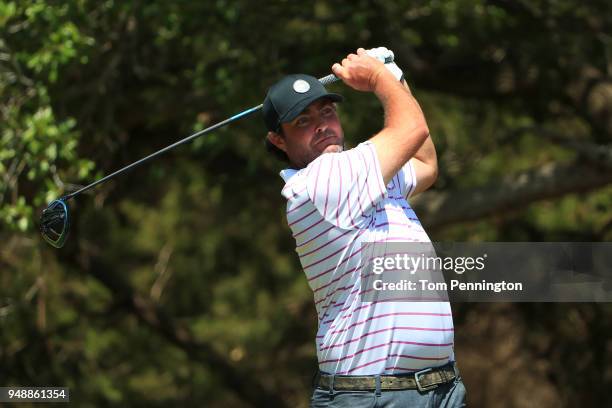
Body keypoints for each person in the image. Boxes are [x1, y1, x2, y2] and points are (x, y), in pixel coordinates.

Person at [263, 48, 466, 407]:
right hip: (372, 395)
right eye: (302, 122)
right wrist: (378, 77)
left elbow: (425, 162)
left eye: (326, 112)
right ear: (278, 140)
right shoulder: (319, 183)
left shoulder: (364, 174)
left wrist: (396, 77)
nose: (322, 125)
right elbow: (412, 128)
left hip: (440, 389)